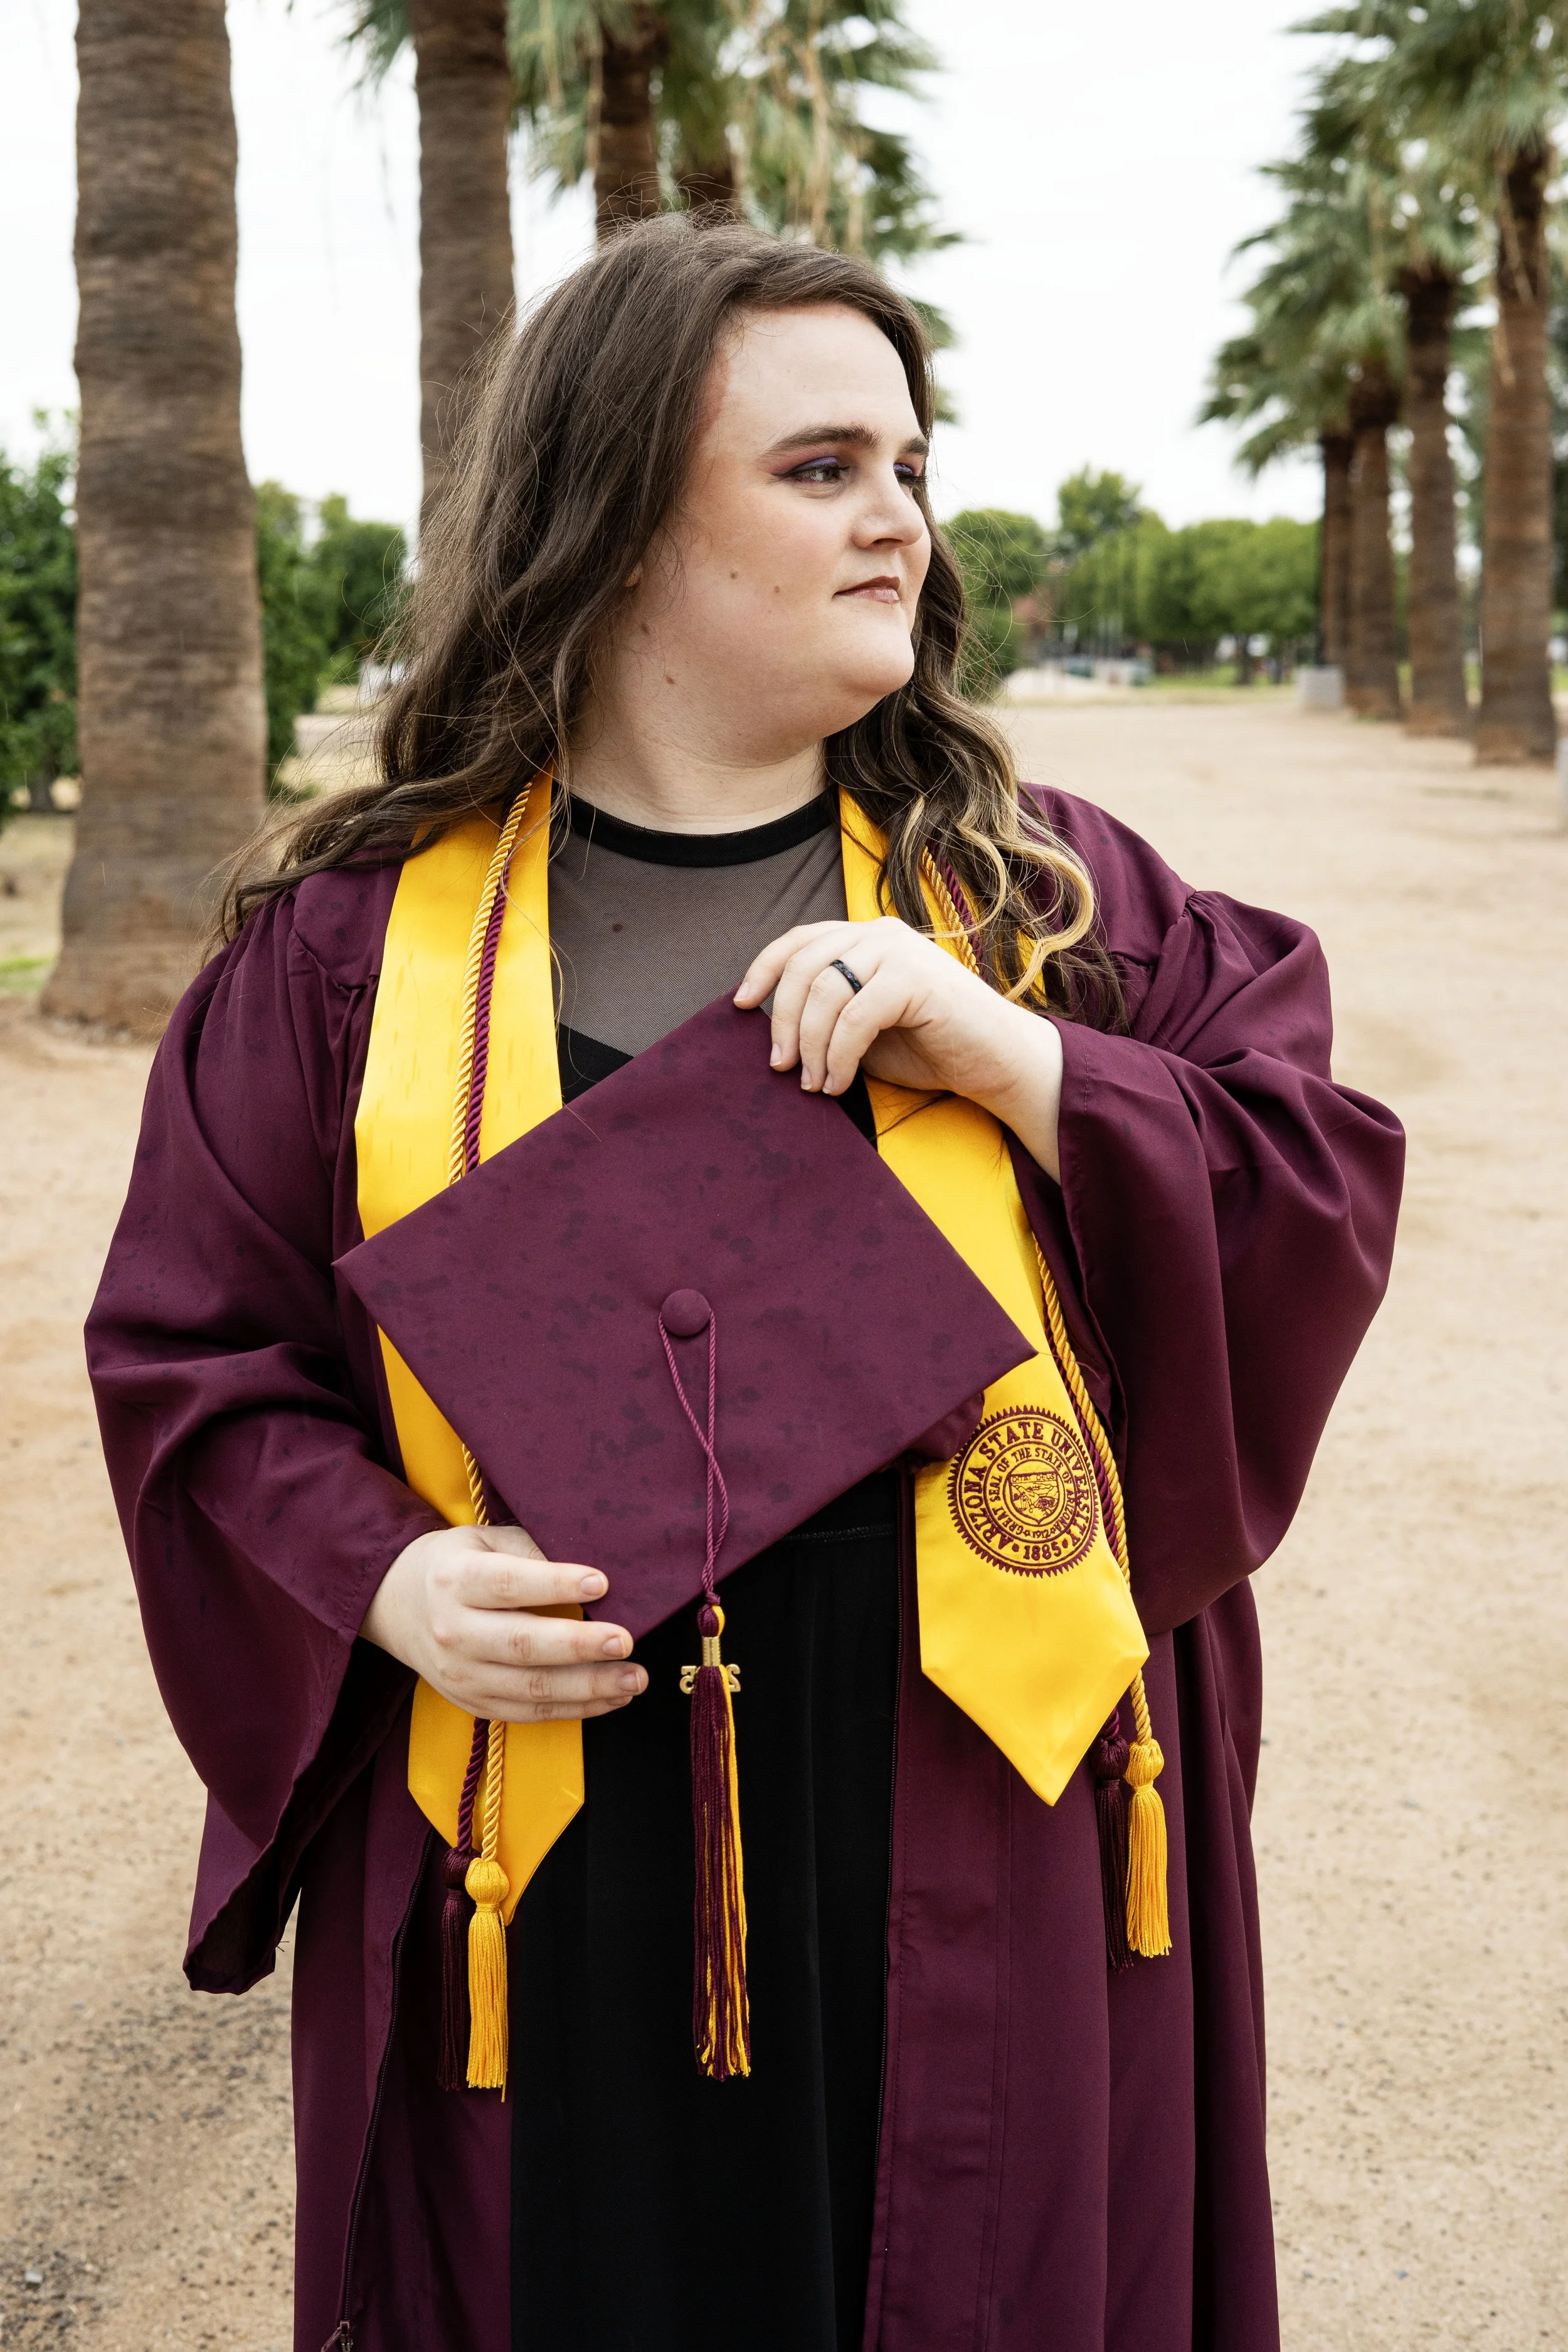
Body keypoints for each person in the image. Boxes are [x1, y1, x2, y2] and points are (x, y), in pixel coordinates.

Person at [87, 218, 1404, 2352]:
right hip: (555, 1835)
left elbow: (1311, 1173)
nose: (899, 516)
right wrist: (392, 1579)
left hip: (979, 1811)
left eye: (906, 461)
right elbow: (195, 1358)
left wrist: (1031, 1062)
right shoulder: (343, 960)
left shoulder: (1045, 901)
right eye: (818, 468)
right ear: (610, 520)